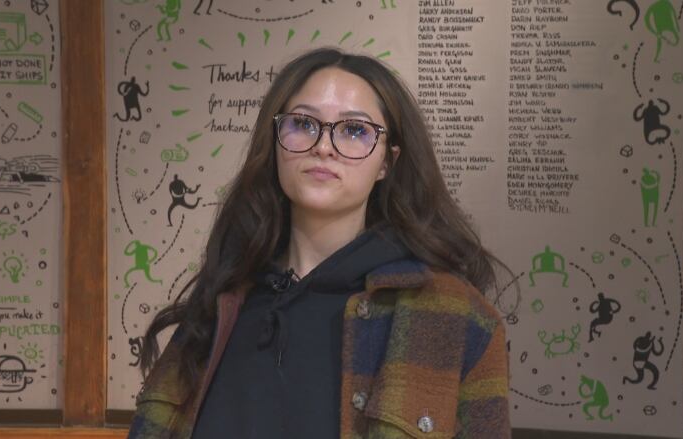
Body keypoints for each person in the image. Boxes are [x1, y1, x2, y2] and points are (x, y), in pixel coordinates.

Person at [128, 47, 511, 438]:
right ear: (275, 141)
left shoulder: (455, 316)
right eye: (303, 124)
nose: (323, 146)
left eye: (355, 130)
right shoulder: (220, 302)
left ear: (387, 162)